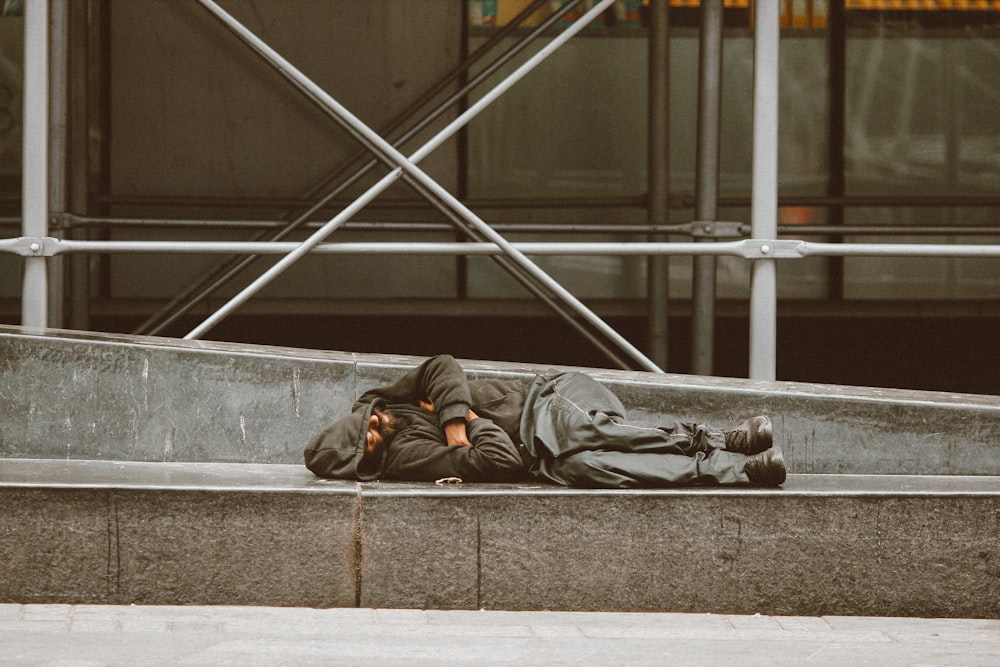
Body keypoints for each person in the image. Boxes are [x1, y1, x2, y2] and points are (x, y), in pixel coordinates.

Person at [304, 355, 786, 488]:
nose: (376, 431)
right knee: (589, 469)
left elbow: (441, 366)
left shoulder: (378, 401)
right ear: (366, 463)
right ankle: (739, 471)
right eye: (369, 446)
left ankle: (725, 438)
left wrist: (451, 423)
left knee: (580, 431)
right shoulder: (403, 459)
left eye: (367, 427)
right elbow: (501, 459)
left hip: (549, 398)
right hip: (540, 458)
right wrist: (469, 417)